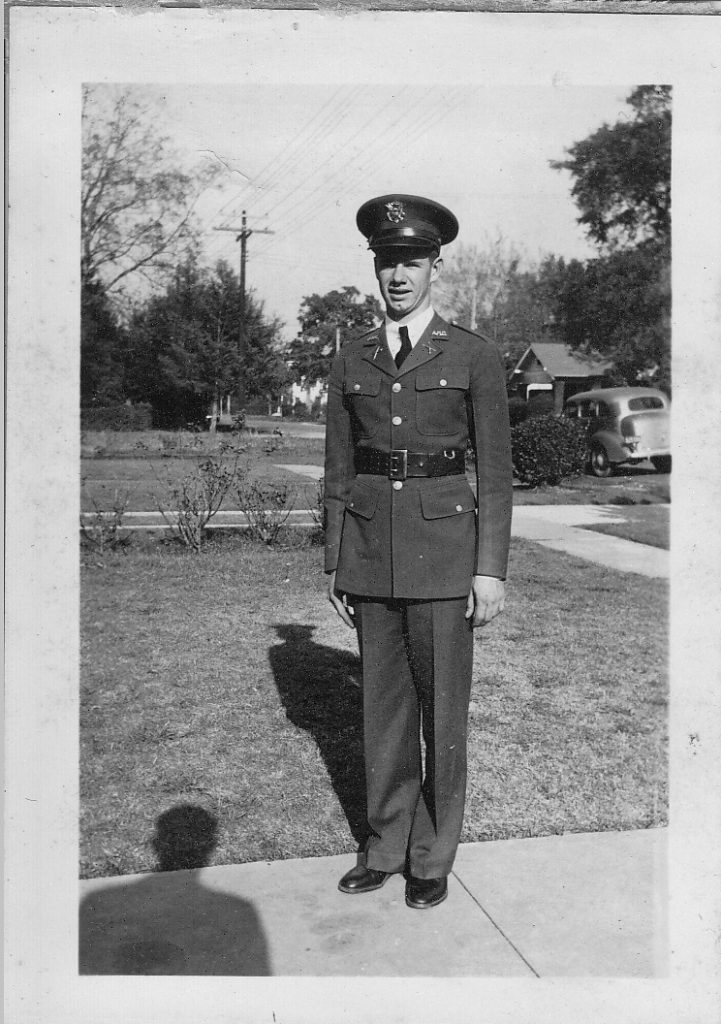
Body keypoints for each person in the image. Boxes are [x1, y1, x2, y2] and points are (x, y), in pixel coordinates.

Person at [324, 194, 513, 910]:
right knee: (384, 712)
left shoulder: (472, 354)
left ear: (435, 266)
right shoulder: (353, 355)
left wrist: (489, 568)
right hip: (371, 551)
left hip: (444, 554)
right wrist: (336, 559)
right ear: (375, 268)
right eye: (387, 262)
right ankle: (385, 846)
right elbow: (339, 468)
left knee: (443, 714)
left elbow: (495, 472)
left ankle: (432, 857)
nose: (398, 276)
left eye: (411, 262)